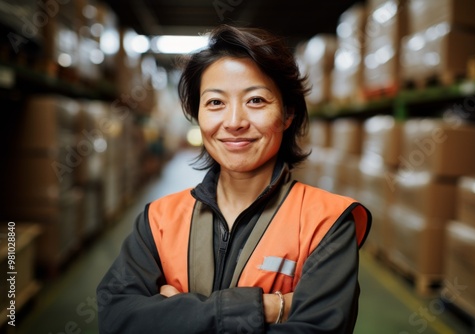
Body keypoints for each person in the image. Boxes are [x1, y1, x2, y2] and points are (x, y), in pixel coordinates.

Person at [97, 24, 371, 333]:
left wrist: (177, 314)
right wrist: (264, 308)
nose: (234, 122)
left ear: (287, 114)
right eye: (215, 102)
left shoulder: (327, 222)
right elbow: (117, 318)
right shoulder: (159, 220)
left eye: (255, 100)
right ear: (198, 115)